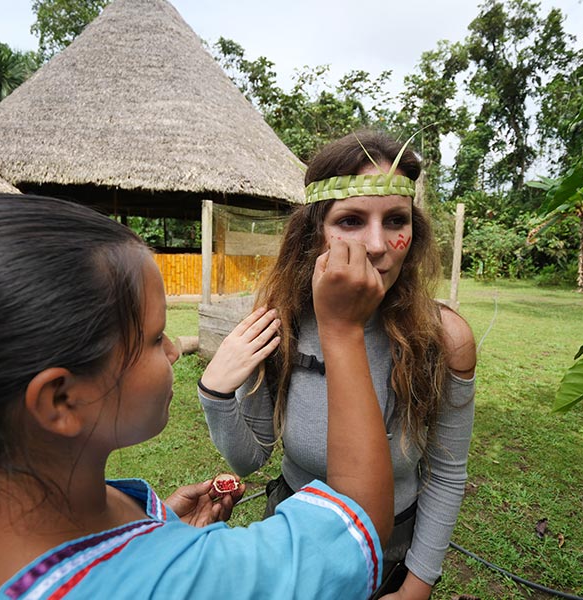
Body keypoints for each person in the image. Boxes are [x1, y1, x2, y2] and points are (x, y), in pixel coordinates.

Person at [0, 193, 396, 599]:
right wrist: (342, 328)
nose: (175, 351)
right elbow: (363, 521)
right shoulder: (190, 583)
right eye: (156, 339)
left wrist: (157, 531)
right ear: (60, 400)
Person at [199, 129, 477, 600]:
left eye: (395, 220)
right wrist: (217, 392)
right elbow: (250, 458)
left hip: (392, 548)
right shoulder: (280, 320)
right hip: (294, 532)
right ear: (314, 231)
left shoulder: (445, 337)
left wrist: (418, 584)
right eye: (350, 221)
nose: (376, 244)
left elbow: (447, 473)